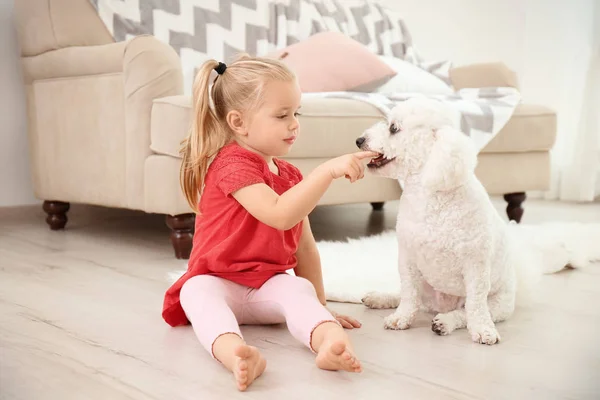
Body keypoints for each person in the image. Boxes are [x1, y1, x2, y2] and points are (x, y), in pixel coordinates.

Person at [162, 54, 377, 391]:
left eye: (296, 113)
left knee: (299, 291)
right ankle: (237, 355)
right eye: (281, 115)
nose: (294, 124)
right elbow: (279, 213)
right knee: (195, 291)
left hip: (268, 286)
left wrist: (321, 310)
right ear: (238, 122)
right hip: (219, 281)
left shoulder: (290, 175)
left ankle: (329, 345)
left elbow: (305, 247)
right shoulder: (232, 164)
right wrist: (326, 171)